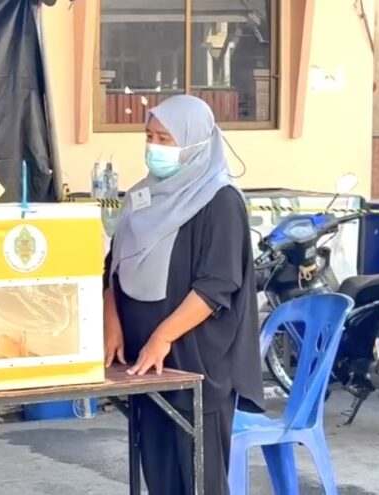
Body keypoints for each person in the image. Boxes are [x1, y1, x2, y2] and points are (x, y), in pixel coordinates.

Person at [103, 95, 264, 495]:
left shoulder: (220, 200)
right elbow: (113, 265)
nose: (153, 147)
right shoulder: (141, 196)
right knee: (158, 474)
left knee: (198, 478)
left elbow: (217, 285)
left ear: (195, 143)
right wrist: (112, 321)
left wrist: (163, 336)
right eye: (149, 136)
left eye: (165, 139)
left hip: (195, 359)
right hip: (144, 361)